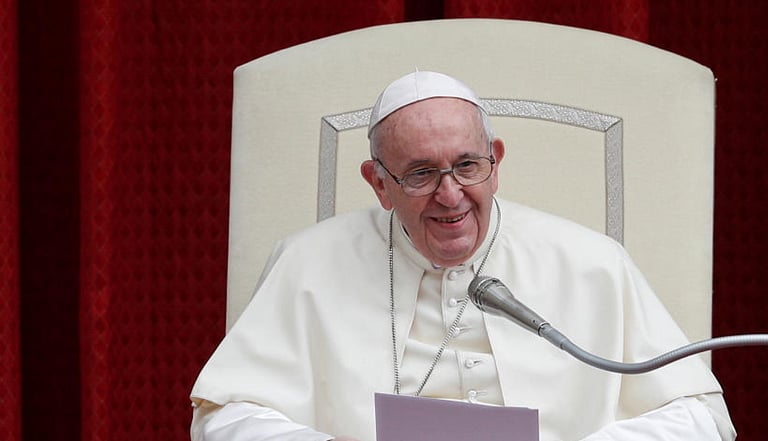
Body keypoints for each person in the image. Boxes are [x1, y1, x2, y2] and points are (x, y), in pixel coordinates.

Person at [190, 71, 737, 441]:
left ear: (495, 163)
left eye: (468, 166)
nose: (450, 196)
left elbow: (700, 417)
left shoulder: (593, 263)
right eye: (421, 173)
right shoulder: (307, 263)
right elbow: (226, 416)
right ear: (379, 183)